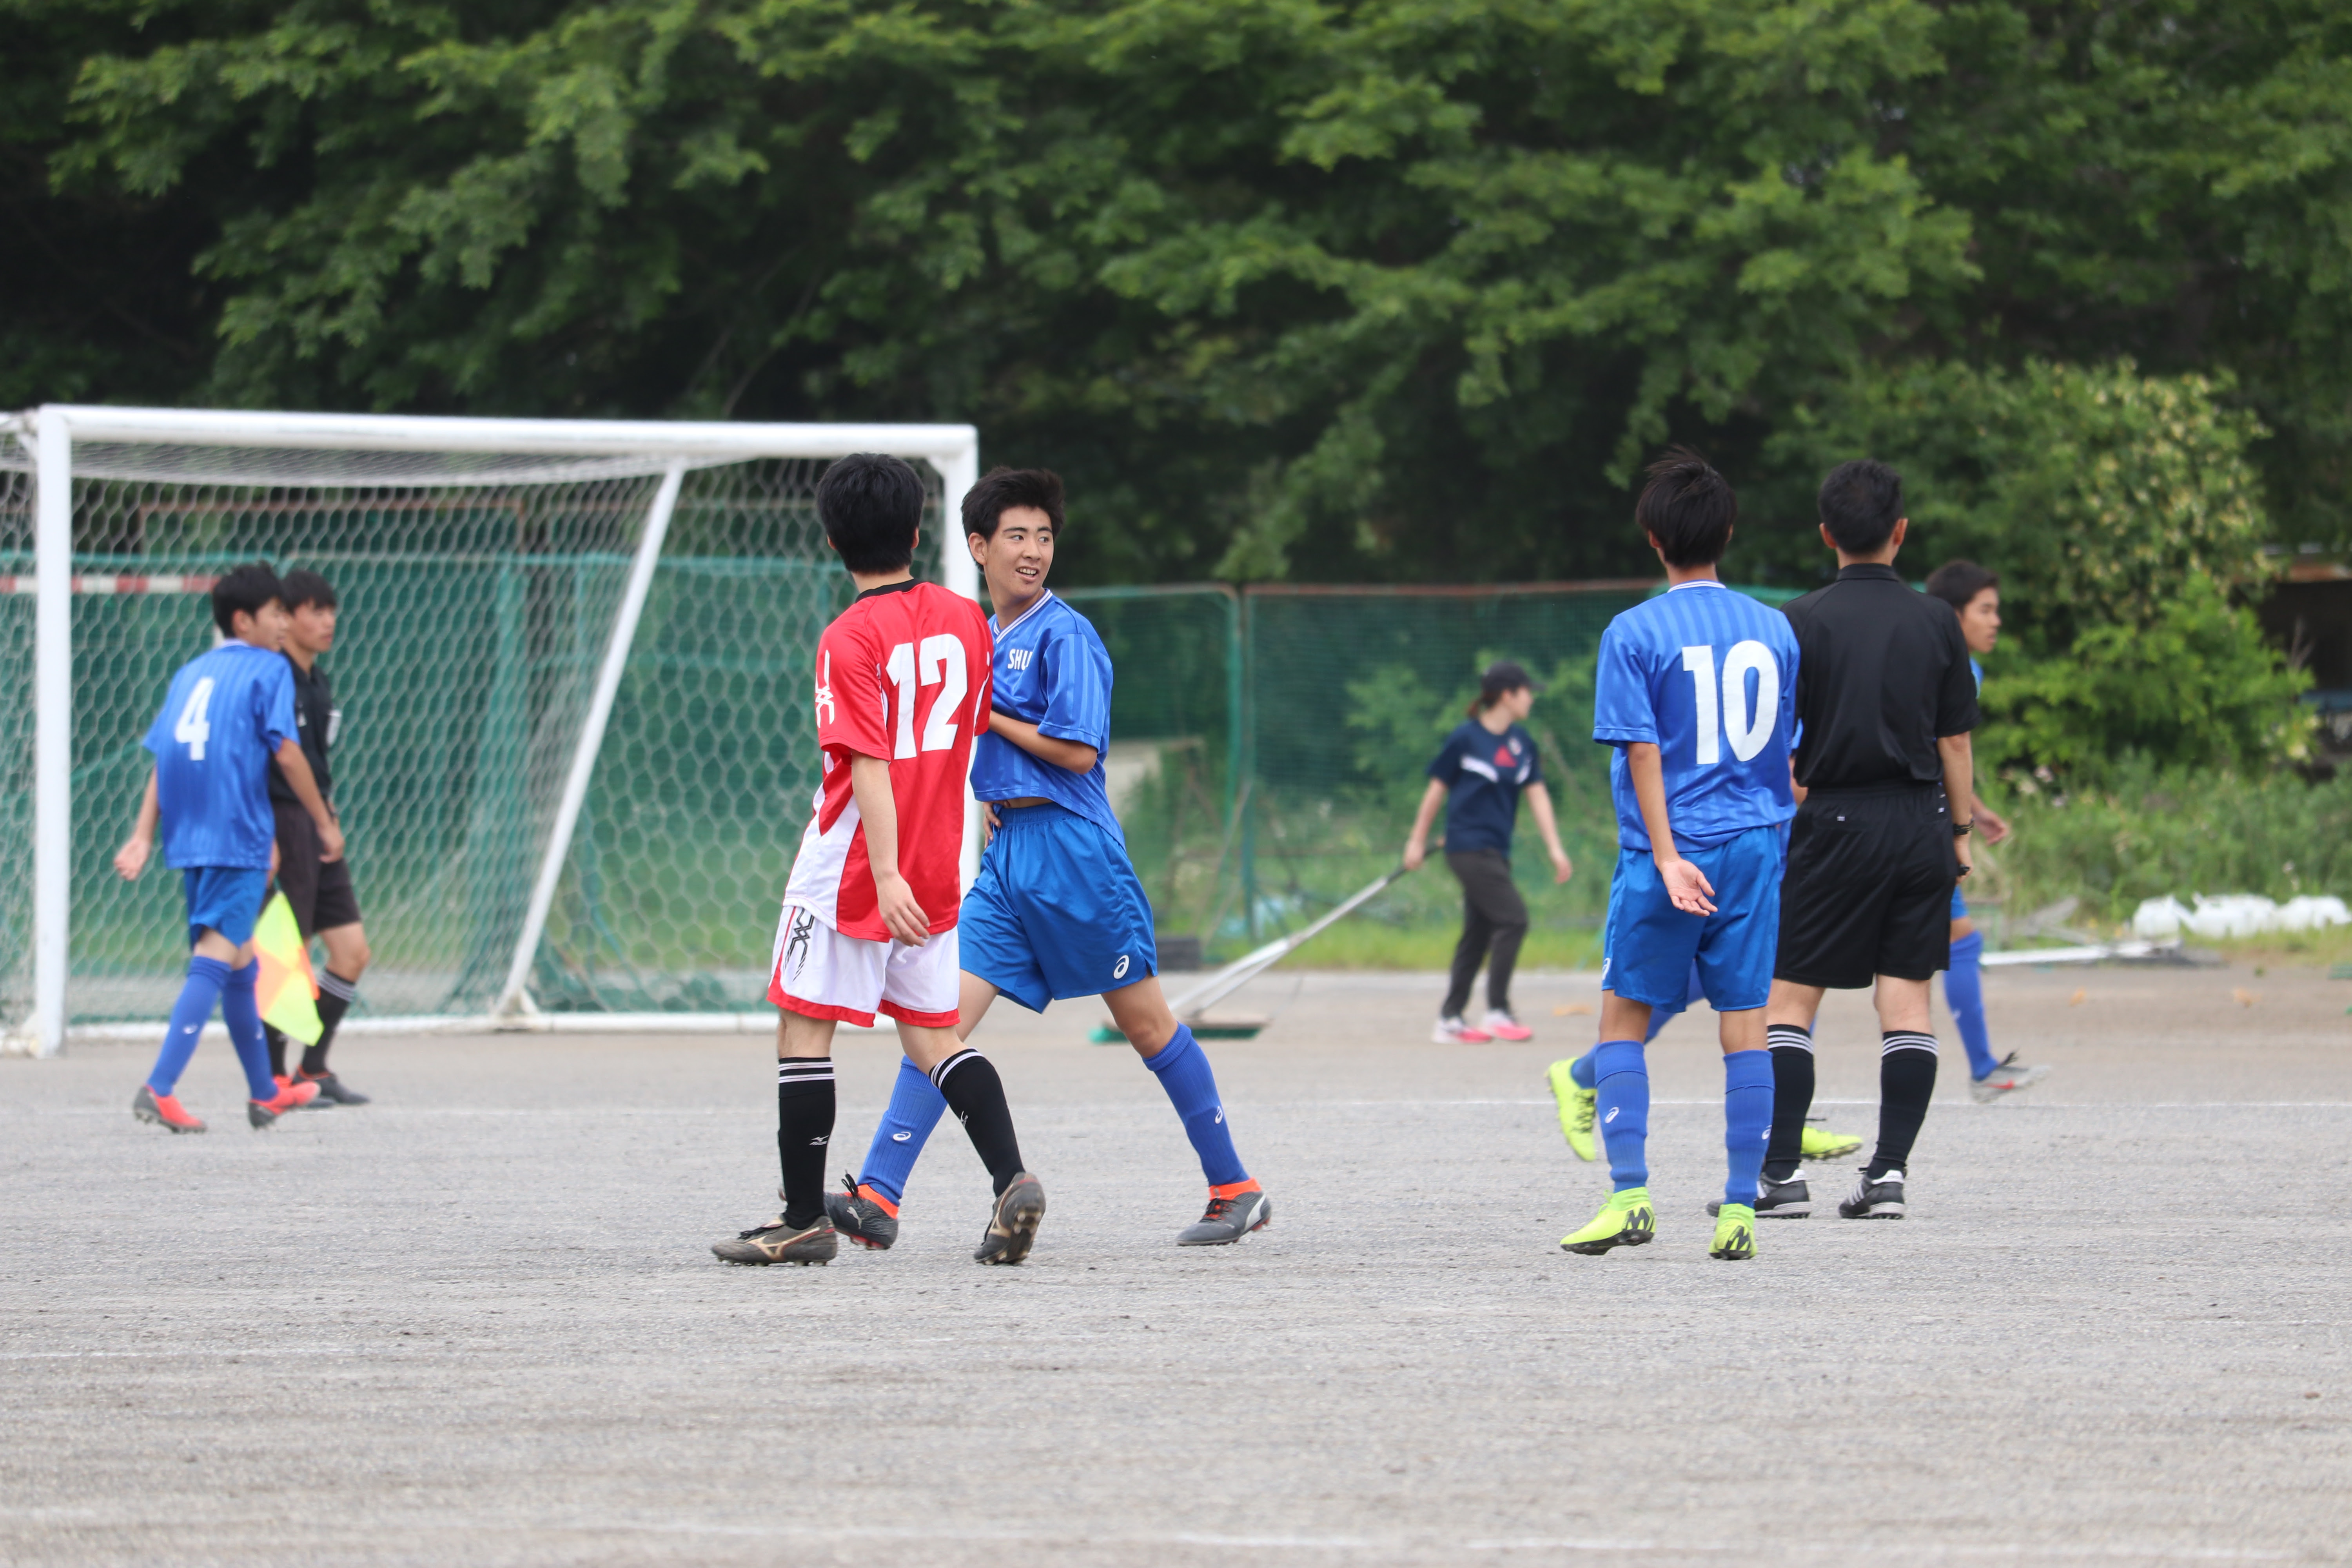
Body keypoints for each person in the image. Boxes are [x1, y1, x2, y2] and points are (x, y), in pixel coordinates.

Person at [828, 467, 1271, 1251]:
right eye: (1016, 536)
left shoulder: (1066, 632)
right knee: (938, 1020)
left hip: (1073, 849)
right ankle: (879, 1194)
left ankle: (1235, 1186)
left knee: (1147, 1025)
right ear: (977, 547)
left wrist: (988, 716)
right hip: (1008, 857)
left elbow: (1073, 751)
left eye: (1044, 536)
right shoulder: (978, 632)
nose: (1033, 551)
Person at [710, 454, 1045, 1267]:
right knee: (932, 1038)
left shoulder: (847, 635)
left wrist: (884, 871)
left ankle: (802, 1218)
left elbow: (868, 762)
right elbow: (967, 731)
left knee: (804, 1027)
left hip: (858, 869)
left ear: (831, 539)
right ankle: (1011, 1178)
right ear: (922, 532)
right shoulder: (968, 619)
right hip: (938, 862)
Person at [1543, 450, 1798, 1261]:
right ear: (1727, 530)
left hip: (1671, 846)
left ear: (1654, 538)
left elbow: (1644, 751)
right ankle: (1737, 1211)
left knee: (1623, 1013)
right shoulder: (1777, 626)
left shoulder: (1633, 631)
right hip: (1758, 842)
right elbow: (1786, 756)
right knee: (1746, 1023)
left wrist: (1664, 853)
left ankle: (1629, 1196)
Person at [1761, 461, 1979, 1223]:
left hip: (1835, 821)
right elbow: (1954, 741)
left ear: (1826, 534)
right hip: (1920, 821)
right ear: (1901, 532)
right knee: (1907, 1001)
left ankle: (1781, 1174)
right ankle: (1887, 1173)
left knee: (1790, 1000)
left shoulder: (1796, 619)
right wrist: (1957, 832)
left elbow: (1776, 743)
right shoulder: (1937, 622)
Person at [113, 563, 341, 1132]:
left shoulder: (191, 672)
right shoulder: (269, 669)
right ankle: (160, 1088)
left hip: (189, 838)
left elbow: (164, 759)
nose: (285, 623)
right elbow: (288, 754)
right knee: (215, 960)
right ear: (246, 621)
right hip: (237, 836)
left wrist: (144, 835)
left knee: (242, 964)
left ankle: (265, 1093)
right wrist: (322, 822)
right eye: (277, 614)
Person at [1922, 561, 2051, 1104]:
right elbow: (1939, 746)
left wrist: (1976, 806)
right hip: (1913, 826)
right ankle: (1981, 1069)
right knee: (1786, 973)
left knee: (1961, 940)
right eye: (1986, 610)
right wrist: (1962, 826)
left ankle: (1982, 1067)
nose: (1996, 621)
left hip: (1906, 817)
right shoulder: (1952, 666)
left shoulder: (1950, 663)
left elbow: (1936, 746)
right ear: (1955, 615)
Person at [1403, 662, 1574, 1044]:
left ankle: (1450, 1019)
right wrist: (1416, 841)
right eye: (1527, 691)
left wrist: (1555, 849)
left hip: (1496, 850)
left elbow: (1538, 795)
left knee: (1477, 934)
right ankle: (1497, 1010)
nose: (1531, 698)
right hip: (1466, 847)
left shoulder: (1522, 744)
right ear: (1508, 695)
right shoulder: (1465, 739)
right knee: (1514, 919)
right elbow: (1436, 791)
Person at [260, 568, 372, 1106]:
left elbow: (316, 765)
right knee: (287, 954)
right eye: (314, 611)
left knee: (351, 951)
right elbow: (269, 761)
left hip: (318, 823)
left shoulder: (317, 682)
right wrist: (270, 833)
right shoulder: (271, 676)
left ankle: (313, 1065)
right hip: (284, 822)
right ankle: (273, 1078)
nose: (327, 621)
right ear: (284, 619)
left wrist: (329, 815)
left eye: (331, 610)